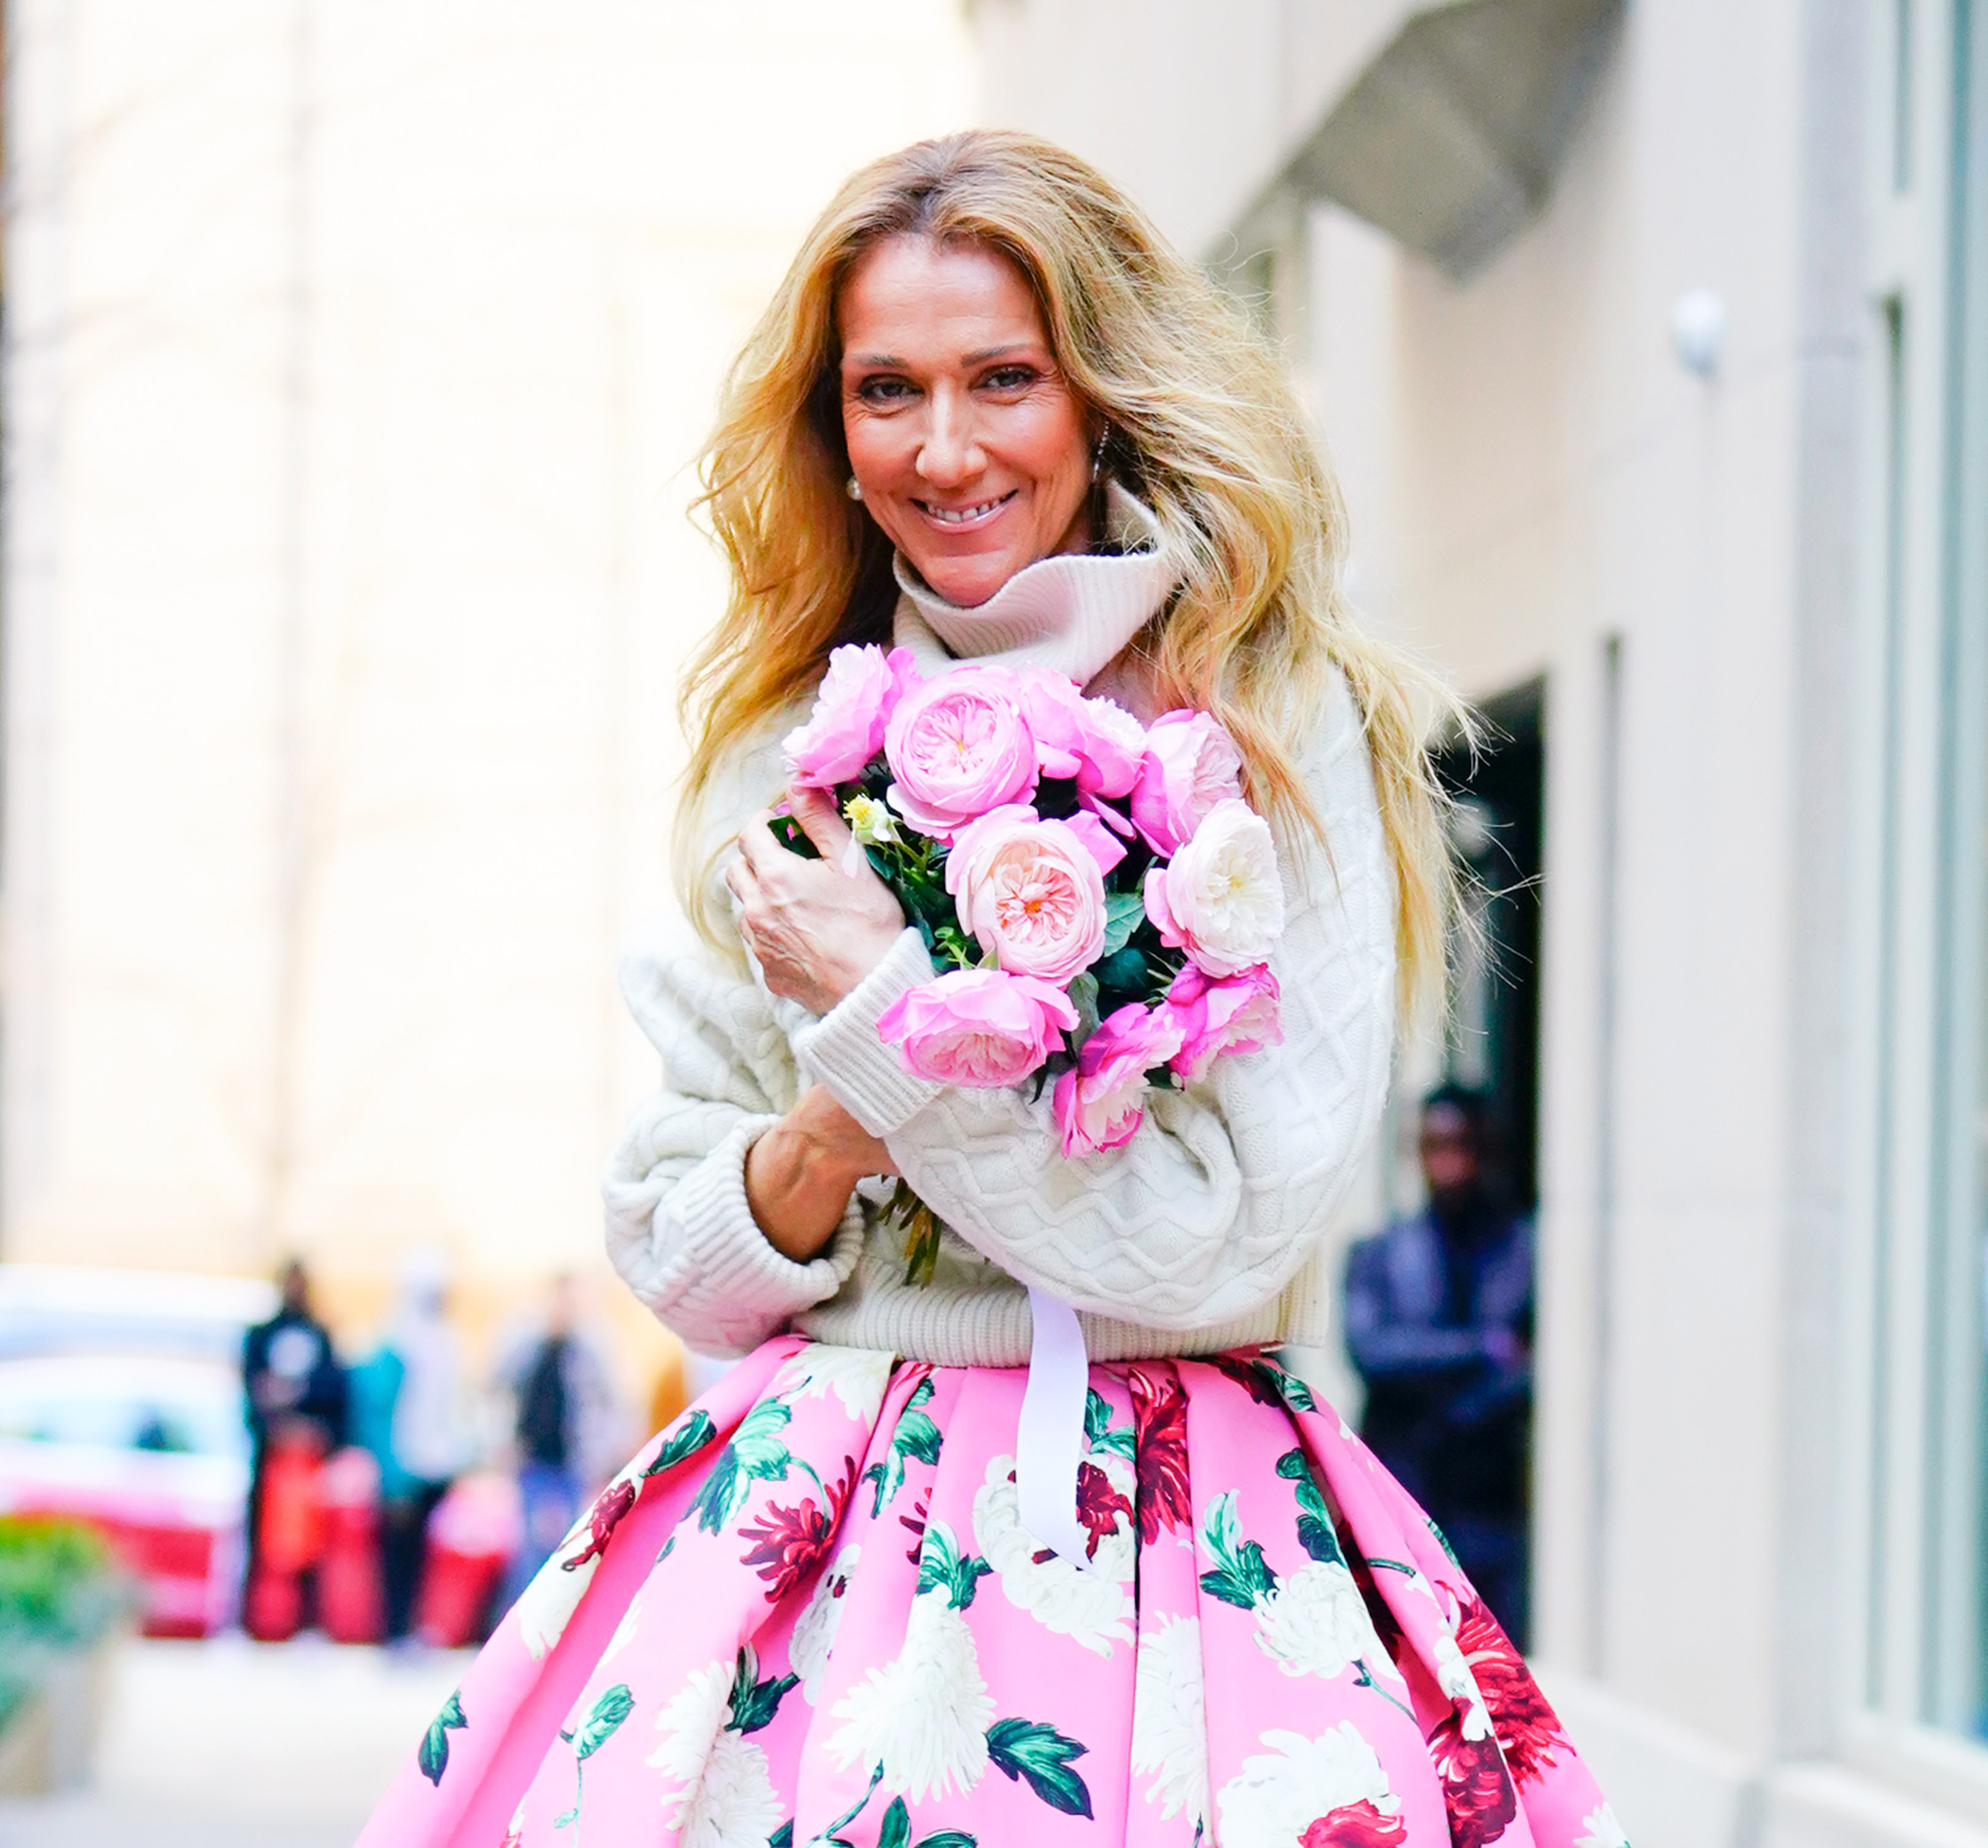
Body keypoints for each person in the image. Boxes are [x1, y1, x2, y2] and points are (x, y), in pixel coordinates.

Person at [357, 131, 1619, 1847]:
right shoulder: (779, 743)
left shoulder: (1276, 722)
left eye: (1001, 380)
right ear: (834, 430)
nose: (943, 450)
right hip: (803, 1538)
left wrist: (887, 1020)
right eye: (886, 392)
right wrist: (833, 1120)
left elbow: (1218, 1243)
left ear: (1097, 393)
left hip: (1184, 1538)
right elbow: (677, 1246)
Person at [1345, 1084, 1536, 1643]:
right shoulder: (1378, 1253)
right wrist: (1481, 1347)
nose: (1449, 1163)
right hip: (1401, 1496)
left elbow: (1536, 1370)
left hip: (1488, 1505)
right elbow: (1372, 1352)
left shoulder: (1523, 1250)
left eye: (1462, 1145)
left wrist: (1460, 1395)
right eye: (1435, 1146)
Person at [357, 1248, 475, 1645]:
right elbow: (378, 1413)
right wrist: (392, 1476)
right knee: (396, 1555)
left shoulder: (446, 1340)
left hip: (436, 1465)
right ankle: (393, 1630)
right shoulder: (396, 1340)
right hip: (402, 1470)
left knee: (425, 1553)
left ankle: (414, 1628)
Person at [493, 1276, 630, 1613]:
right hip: (532, 1459)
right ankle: (518, 1618)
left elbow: (613, 1402)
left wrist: (604, 1451)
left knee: (571, 1544)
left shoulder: (591, 1349)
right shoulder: (527, 1346)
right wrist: (502, 1443)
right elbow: (499, 1390)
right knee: (527, 1545)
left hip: (572, 1461)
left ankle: (560, 1616)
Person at [240, 1258, 347, 1631]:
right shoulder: (261, 1335)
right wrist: (276, 1423)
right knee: (258, 1541)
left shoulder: (319, 1335)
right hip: (271, 1456)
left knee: (312, 1545)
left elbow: (334, 1391)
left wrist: (305, 1417)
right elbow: (252, 1393)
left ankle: (308, 1625)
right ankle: (248, 1622)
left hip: (309, 1457)